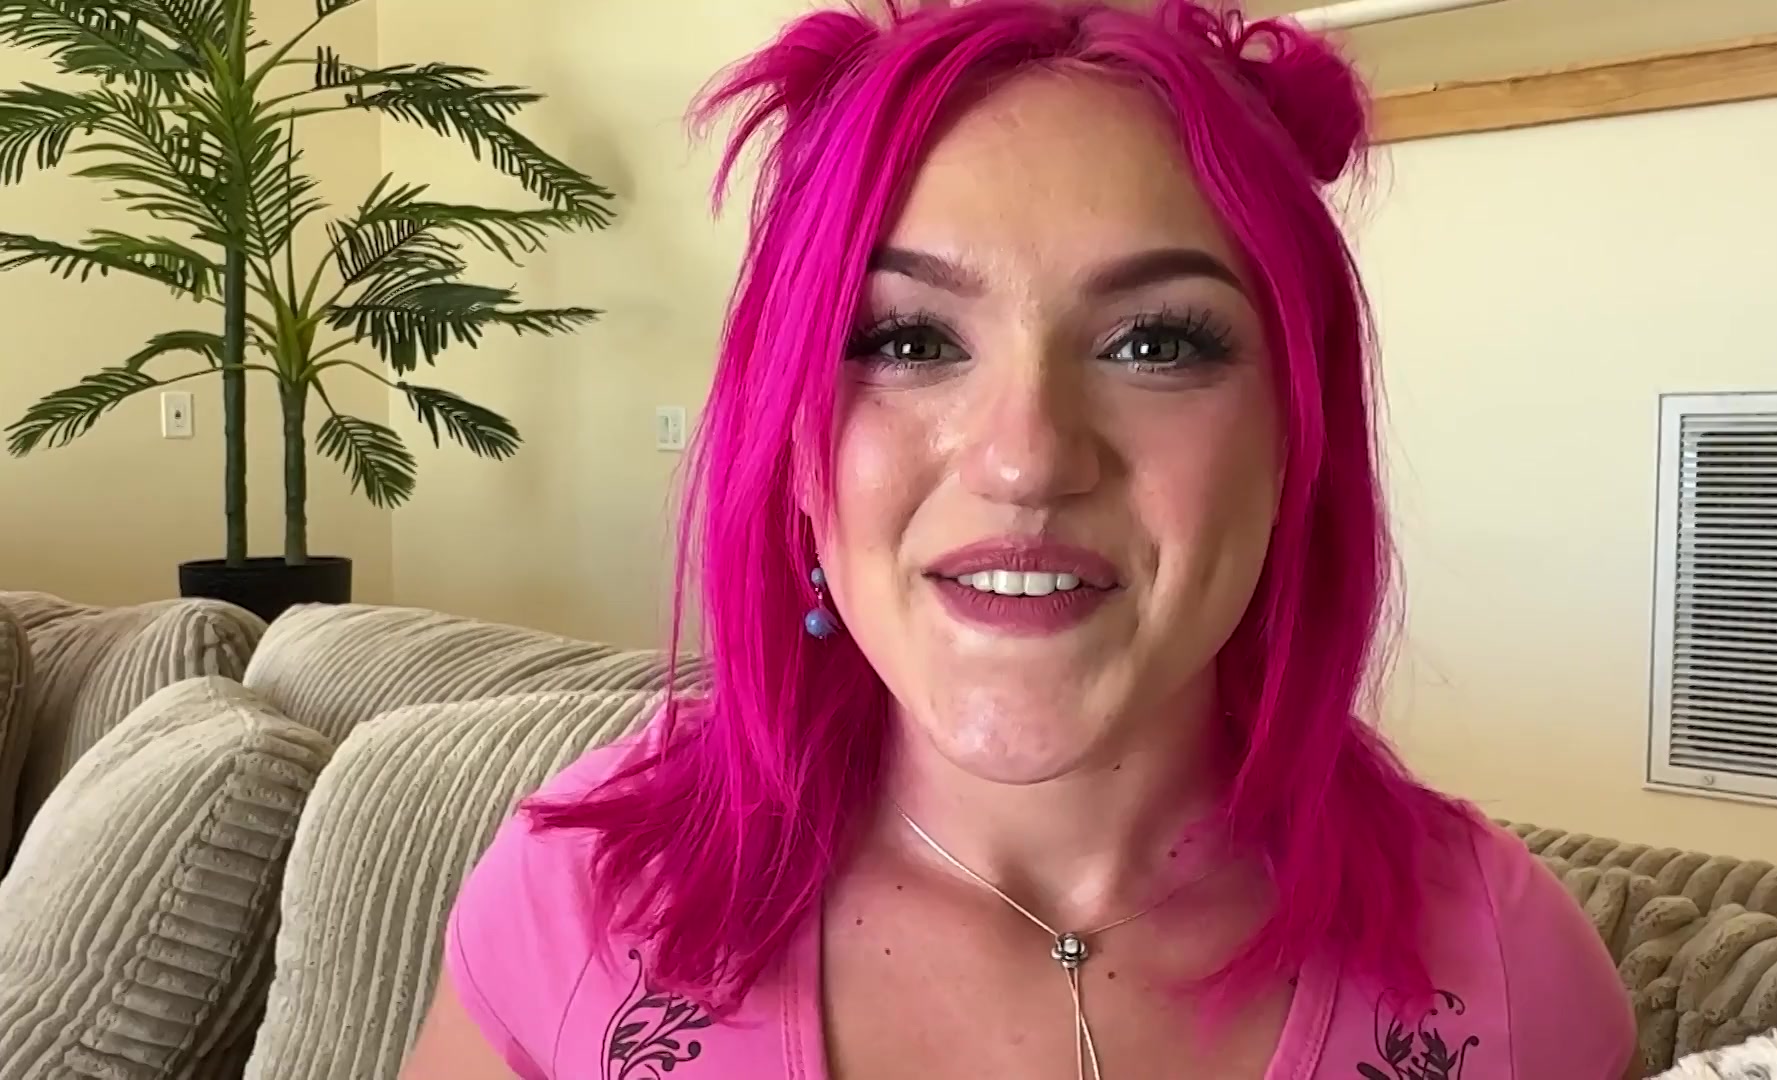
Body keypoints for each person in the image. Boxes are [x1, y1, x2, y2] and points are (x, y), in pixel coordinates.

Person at [400, 1, 1637, 1077]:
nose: (1027, 457)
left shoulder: (1506, 967)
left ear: (1292, 445)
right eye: (907, 340)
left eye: (1154, 342)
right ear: (797, 451)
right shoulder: (579, 905)